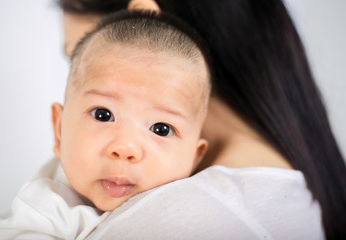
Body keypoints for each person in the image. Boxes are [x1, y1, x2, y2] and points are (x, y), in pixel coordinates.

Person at [57, 0, 346, 239]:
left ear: (143, 18)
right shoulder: (274, 181)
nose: (125, 148)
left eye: (78, 51)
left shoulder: (202, 216)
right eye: (103, 114)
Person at [0, 10, 210, 239]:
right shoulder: (47, 213)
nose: (125, 148)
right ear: (60, 130)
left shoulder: (207, 209)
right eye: (103, 115)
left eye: (161, 129)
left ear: (195, 157)